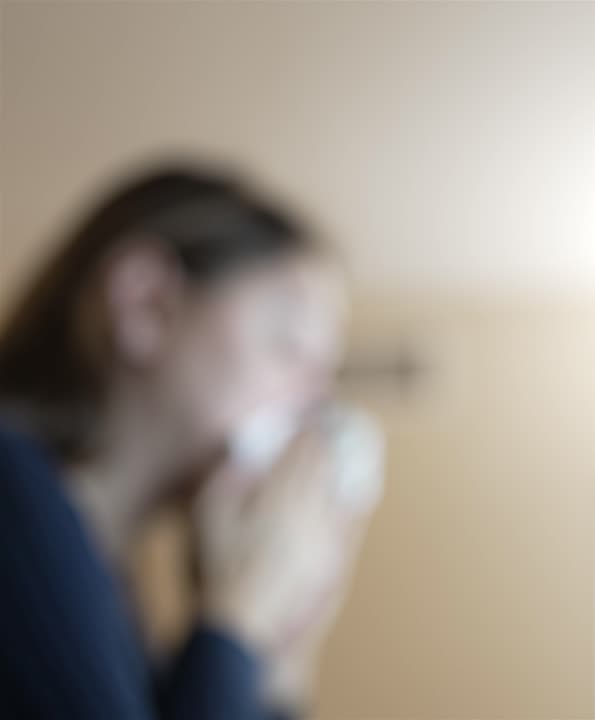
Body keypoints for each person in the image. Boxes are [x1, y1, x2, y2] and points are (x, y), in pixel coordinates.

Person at [0, 163, 372, 718]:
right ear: (146, 303)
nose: (317, 402)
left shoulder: (114, 602)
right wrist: (239, 618)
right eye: (290, 345)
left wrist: (280, 650)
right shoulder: (10, 483)